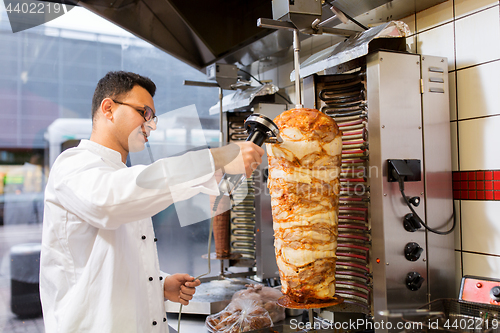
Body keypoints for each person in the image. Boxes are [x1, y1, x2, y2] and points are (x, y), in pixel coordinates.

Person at [39, 71, 264, 332]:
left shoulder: (121, 176)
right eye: (144, 113)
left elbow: (109, 261)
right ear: (108, 108)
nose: (152, 125)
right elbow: (109, 202)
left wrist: (158, 284)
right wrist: (217, 158)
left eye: (153, 117)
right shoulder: (73, 165)